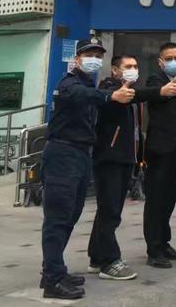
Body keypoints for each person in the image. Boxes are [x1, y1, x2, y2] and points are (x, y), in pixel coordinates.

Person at [39, 37, 135, 300]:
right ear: (77, 59)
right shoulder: (69, 84)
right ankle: (52, 280)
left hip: (81, 155)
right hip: (63, 154)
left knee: (71, 215)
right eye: (89, 54)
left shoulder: (88, 84)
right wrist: (110, 95)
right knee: (58, 218)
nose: (95, 59)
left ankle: (54, 270)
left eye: (98, 55)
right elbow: (81, 96)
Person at [86, 54, 150, 280]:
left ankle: (96, 256)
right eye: (128, 66)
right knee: (110, 212)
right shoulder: (109, 90)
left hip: (125, 158)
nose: (133, 69)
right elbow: (135, 96)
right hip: (109, 159)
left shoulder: (127, 92)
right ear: (115, 70)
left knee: (108, 209)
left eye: (135, 66)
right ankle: (109, 261)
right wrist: (161, 91)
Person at [142, 42, 176, 268]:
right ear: (160, 62)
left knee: (169, 199)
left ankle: (164, 242)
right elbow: (160, 94)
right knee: (156, 200)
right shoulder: (155, 80)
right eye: (170, 58)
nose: (175, 61)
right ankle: (154, 249)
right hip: (160, 149)